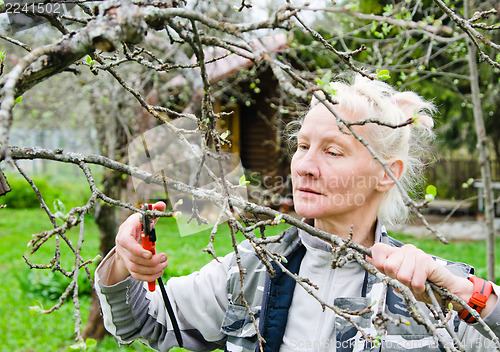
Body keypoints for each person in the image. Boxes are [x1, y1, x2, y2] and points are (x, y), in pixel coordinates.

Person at [95, 73, 500, 352]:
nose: (304, 164)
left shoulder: (430, 287)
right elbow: (141, 323)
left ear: (385, 173)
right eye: (303, 145)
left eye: (333, 151)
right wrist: (122, 262)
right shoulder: (252, 266)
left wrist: (459, 291)